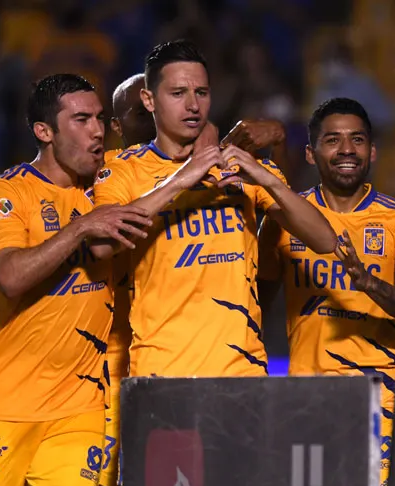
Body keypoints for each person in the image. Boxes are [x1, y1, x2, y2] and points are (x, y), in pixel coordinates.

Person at [85, 69, 297, 486]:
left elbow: (281, 230)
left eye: (197, 94)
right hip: (117, 361)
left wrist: (274, 146)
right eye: (138, 111)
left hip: (190, 356)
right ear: (121, 124)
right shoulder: (114, 174)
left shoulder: (215, 170)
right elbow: (101, 243)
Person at [0, 74, 154, 486]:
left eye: (100, 119)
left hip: (80, 404)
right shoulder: (7, 192)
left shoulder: (110, 183)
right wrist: (82, 228)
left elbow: (170, 164)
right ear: (44, 131)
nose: (97, 131)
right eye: (81, 120)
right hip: (8, 400)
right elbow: (11, 277)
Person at [92, 39, 336, 376]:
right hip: (163, 371)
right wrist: (181, 179)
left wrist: (269, 180)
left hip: (243, 370)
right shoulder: (122, 170)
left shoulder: (241, 166)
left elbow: (325, 240)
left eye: (202, 93)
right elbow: (102, 246)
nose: (193, 105)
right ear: (149, 100)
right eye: (178, 93)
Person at [258, 98, 395, 486]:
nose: (347, 150)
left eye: (357, 139)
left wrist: (369, 283)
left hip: (377, 401)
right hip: (304, 398)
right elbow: (255, 306)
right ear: (310, 153)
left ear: (372, 151)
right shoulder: (284, 219)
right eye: (333, 140)